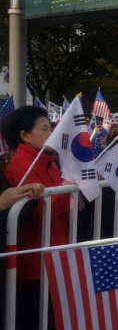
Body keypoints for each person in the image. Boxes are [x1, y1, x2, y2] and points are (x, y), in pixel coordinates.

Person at [1, 106, 74, 329]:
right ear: (24, 135)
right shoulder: (21, 166)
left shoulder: (47, 161)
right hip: (35, 260)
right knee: (37, 317)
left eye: (50, 127)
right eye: (45, 128)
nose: (51, 133)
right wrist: (67, 189)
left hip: (54, 252)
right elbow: (38, 216)